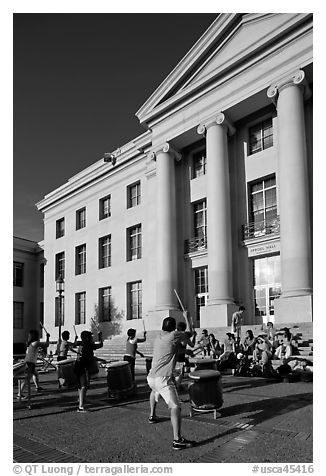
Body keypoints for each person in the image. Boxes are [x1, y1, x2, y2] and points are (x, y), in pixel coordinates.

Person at [147, 311, 196, 450]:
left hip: (151, 377)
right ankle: (177, 440)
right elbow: (190, 333)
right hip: (163, 378)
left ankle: (152, 415)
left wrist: (186, 352)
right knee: (175, 406)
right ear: (174, 328)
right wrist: (187, 317)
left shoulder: (158, 337)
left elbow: (172, 350)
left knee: (154, 391)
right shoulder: (174, 335)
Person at [74, 330, 103, 412]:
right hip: (83, 367)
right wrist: (100, 337)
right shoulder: (89, 345)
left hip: (77, 366)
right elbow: (100, 345)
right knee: (84, 386)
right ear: (87, 338)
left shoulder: (81, 344)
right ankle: (81, 407)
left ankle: (81, 399)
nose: (92, 338)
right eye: (91, 337)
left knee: (81, 386)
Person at [17, 329, 50, 399]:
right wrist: (48, 337)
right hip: (30, 363)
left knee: (36, 374)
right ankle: (19, 394)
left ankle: (37, 387)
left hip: (28, 362)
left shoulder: (29, 343)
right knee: (26, 379)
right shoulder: (35, 343)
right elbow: (47, 345)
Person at [174, 321, 196, 389]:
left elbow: (191, 345)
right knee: (179, 376)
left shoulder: (175, 336)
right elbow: (191, 345)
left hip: (176, 359)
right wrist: (194, 336)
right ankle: (176, 389)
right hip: (179, 359)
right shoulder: (184, 337)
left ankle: (176, 387)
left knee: (177, 375)